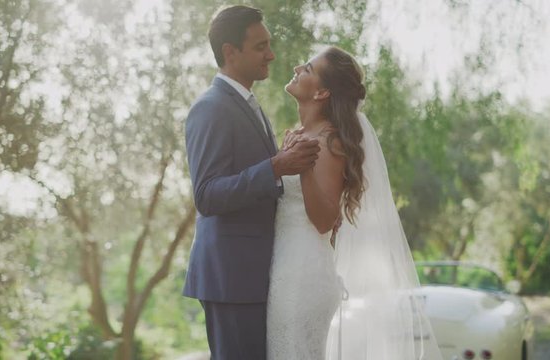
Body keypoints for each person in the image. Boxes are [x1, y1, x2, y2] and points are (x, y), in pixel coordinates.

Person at [267, 46, 443, 359]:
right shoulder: (302, 136)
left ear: (321, 92)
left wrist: (303, 164)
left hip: (301, 276)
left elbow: (323, 220)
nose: (296, 67)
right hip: (286, 267)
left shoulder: (327, 141)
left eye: (307, 68)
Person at [182, 5, 321, 360]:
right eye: (260, 47)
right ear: (230, 52)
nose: (271, 55)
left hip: (255, 276)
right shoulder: (210, 108)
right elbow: (206, 195)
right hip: (232, 278)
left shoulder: (248, 105)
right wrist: (275, 167)